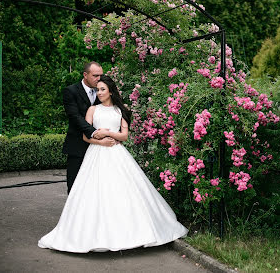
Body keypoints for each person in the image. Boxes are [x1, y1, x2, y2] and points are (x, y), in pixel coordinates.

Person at [38, 75, 188, 253]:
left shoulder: (120, 110)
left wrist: (106, 133)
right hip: (96, 154)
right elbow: (86, 136)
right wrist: (100, 140)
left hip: (117, 154)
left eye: (102, 89)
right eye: (97, 90)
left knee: (124, 190)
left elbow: (124, 136)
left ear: (110, 91)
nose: (99, 93)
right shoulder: (92, 110)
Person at [62, 62, 112, 193]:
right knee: (74, 184)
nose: (99, 79)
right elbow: (75, 117)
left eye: (101, 75)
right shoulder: (71, 91)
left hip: (100, 148)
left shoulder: (103, 91)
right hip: (77, 145)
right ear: (85, 75)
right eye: (95, 75)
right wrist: (95, 132)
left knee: (98, 185)